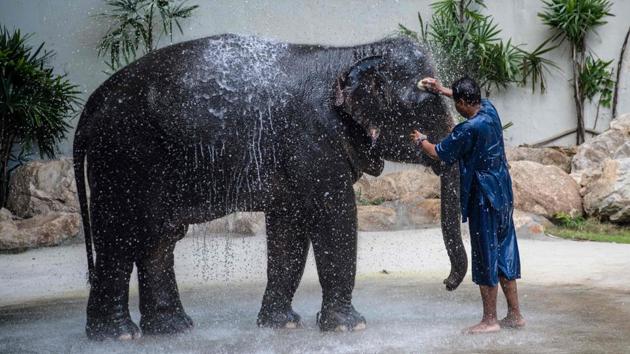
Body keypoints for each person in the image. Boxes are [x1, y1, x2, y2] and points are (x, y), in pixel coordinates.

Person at [411, 77, 525, 334]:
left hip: (483, 197)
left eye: (457, 103)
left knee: (486, 256)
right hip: (504, 195)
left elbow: (438, 151)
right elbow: (468, 98)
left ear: (463, 103)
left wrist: (420, 140)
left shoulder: (468, 129)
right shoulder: (490, 110)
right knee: (505, 253)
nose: (456, 108)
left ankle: (489, 320)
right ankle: (515, 315)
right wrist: (441, 90)